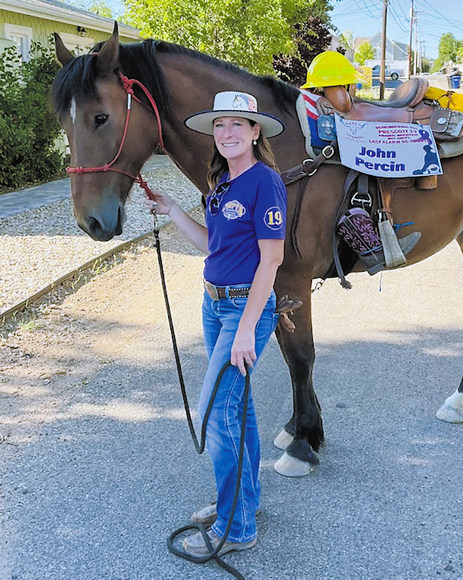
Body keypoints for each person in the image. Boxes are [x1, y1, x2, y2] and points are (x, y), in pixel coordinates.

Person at [146, 91, 286, 557]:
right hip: (214, 305)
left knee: (219, 413)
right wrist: (172, 210)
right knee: (236, 409)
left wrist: (246, 328)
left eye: (237, 124)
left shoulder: (265, 182)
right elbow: (213, 245)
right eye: (220, 125)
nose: (227, 133)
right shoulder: (222, 181)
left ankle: (236, 527)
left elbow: (271, 260)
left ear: (255, 132)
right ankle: (243, 503)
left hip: (244, 309)